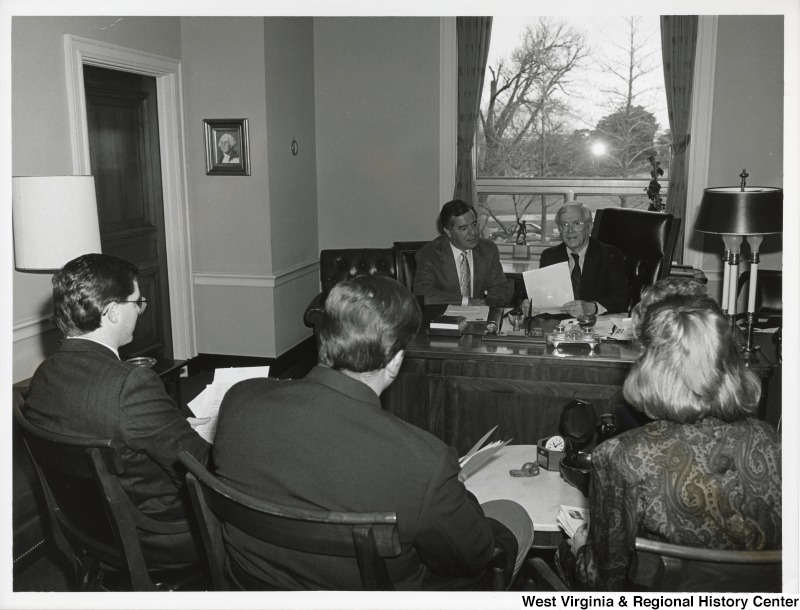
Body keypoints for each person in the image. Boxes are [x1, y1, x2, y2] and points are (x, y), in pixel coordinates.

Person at [213, 276, 533, 590]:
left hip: (252, 585)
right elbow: (473, 556)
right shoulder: (424, 462)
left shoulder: (239, 400)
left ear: (323, 338)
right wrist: (453, 492)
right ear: (395, 361)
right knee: (512, 515)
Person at [556, 290, 782, 591]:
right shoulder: (775, 444)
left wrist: (579, 550)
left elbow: (602, 582)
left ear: (650, 368)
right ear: (729, 363)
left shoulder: (623, 456)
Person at [23, 253, 210, 567]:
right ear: (111, 313)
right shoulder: (131, 384)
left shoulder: (44, 375)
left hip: (85, 526)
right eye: (137, 302)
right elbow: (201, 465)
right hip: (152, 534)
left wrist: (175, 426)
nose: (140, 310)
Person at [413, 199, 512, 306]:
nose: (473, 233)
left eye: (474, 225)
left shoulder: (488, 249)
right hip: (444, 318)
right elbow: (422, 293)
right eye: (464, 228)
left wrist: (488, 307)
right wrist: (466, 302)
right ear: (448, 232)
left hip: (479, 316)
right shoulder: (430, 254)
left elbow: (499, 287)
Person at [539, 202, 630, 316]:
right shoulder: (549, 256)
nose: (570, 230)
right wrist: (528, 304)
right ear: (559, 229)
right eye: (564, 224)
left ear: (589, 227)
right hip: (557, 327)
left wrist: (592, 307)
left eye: (577, 223)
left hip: (593, 325)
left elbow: (620, 298)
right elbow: (539, 295)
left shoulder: (609, 255)